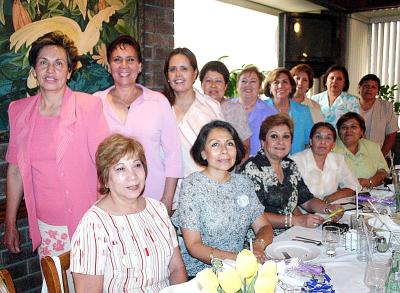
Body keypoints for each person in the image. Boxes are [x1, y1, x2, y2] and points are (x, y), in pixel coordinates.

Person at [3, 32, 109, 257]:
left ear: (69, 72)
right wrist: (10, 222)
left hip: (88, 223)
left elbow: (105, 166)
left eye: (59, 63)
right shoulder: (18, 111)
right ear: (34, 70)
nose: (50, 71)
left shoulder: (88, 107)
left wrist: (106, 220)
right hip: (47, 228)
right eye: (43, 63)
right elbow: (15, 171)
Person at [71, 134, 187, 292]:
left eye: (137, 165)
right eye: (120, 168)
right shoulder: (93, 225)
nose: (132, 176)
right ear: (105, 179)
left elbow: (176, 268)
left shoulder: (158, 209)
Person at [94, 35, 182, 214]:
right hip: (111, 203)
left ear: (140, 66)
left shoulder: (158, 102)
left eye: (130, 60)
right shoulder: (95, 103)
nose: (124, 66)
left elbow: (173, 154)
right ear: (109, 66)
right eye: (117, 60)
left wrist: (167, 200)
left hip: (153, 200)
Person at [172, 121, 273, 277]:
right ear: (203, 153)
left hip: (241, 269)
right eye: (215, 145)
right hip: (203, 275)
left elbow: (264, 226)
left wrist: (258, 246)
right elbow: (194, 246)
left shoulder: (243, 183)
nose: (224, 150)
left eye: (230, 144)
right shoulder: (192, 186)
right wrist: (238, 259)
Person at [240, 114, 343, 235]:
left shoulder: (289, 165)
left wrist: (328, 208)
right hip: (261, 239)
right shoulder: (251, 169)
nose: (280, 142)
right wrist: (295, 220)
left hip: (290, 234)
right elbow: (252, 214)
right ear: (263, 141)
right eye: (274, 136)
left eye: (286, 137)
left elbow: (307, 200)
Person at [162, 48, 224, 209]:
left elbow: (222, 153)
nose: (178, 74)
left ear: (195, 73)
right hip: (167, 196)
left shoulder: (211, 107)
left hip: (207, 196)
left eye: (184, 69)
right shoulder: (159, 107)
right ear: (167, 76)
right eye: (172, 69)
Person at [292, 122, 361, 203]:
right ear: (311, 141)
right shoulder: (295, 161)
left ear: (333, 145)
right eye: (318, 137)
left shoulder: (338, 160)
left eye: (328, 138)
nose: (323, 142)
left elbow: (355, 186)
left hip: (330, 210)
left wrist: (334, 196)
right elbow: (291, 197)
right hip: (304, 212)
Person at [200, 60, 251, 160]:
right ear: (201, 84)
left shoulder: (236, 109)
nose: (213, 85)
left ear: (226, 86)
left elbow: (245, 148)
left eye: (218, 81)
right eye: (208, 81)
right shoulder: (195, 108)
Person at [264, 68, 314, 154]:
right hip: (266, 162)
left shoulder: (303, 111)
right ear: (270, 88)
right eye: (276, 82)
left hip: (296, 162)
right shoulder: (260, 108)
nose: (280, 86)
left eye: (285, 82)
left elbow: (310, 141)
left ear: (291, 87)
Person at [333, 112, 389, 188]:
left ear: (362, 131)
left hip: (372, 195)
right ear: (339, 133)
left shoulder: (373, 147)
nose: (348, 131)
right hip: (340, 197)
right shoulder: (330, 149)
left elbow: (383, 172)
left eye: (353, 127)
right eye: (344, 127)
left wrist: (369, 182)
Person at [231, 66, 277, 155]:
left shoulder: (271, 113)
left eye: (253, 81)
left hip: (259, 164)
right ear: (237, 86)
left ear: (259, 87)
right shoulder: (226, 108)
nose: (248, 85)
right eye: (244, 81)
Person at [358, 74, 399, 157]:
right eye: (366, 86)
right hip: (353, 156)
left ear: (377, 91)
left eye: (373, 87)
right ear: (359, 88)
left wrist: (380, 157)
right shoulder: (349, 105)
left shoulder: (386, 107)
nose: (369, 89)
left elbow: (391, 134)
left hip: (380, 155)